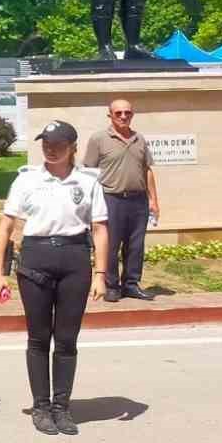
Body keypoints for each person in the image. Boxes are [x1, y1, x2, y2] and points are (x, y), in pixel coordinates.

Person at [0, 120, 110, 436]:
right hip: (35, 260)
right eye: (45, 142)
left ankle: (62, 407)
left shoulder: (88, 182)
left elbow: (99, 228)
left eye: (57, 144)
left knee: (67, 340)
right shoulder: (27, 180)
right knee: (39, 338)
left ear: (73, 147)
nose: (50, 148)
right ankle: (41, 407)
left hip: (74, 260)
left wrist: (101, 274)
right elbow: (5, 227)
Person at [81, 98, 158, 301]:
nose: (124, 116)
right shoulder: (99, 139)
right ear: (110, 115)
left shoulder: (139, 139)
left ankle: (131, 284)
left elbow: (147, 169)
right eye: (118, 113)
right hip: (110, 199)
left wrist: (153, 200)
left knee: (136, 245)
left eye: (128, 113)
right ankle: (111, 285)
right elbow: (88, 171)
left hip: (138, 200)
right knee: (111, 244)